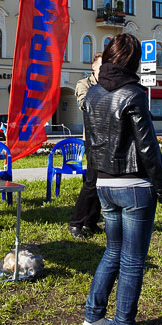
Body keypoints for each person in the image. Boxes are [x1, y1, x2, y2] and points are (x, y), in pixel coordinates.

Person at [80, 33, 162, 325]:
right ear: (133, 62)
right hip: (134, 186)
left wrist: (95, 184)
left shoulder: (91, 94)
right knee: (132, 260)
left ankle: (93, 316)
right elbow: (148, 148)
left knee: (113, 251)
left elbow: (90, 143)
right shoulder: (134, 93)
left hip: (104, 184)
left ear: (106, 57)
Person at [68, 52, 103, 239]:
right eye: (100, 67)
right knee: (91, 182)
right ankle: (76, 223)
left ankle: (91, 221)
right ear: (93, 67)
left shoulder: (108, 86)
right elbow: (85, 105)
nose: (104, 71)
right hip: (93, 140)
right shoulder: (84, 84)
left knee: (101, 183)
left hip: (108, 140)